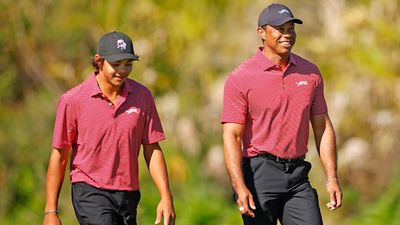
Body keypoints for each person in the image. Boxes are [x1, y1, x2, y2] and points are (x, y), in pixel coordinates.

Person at [221, 3, 342, 225]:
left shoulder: (311, 73)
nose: (287, 34)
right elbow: (232, 136)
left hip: (297, 175)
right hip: (259, 173)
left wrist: (332, 178)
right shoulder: (240, 77)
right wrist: (239, 187)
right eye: (280, 29)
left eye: (290, 29)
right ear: (261, 32)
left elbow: (322, 127)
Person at [43, 31, 175, 225]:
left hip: (128, 193)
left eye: (128, 64)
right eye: (116, 64)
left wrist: (166, 197)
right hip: (90, 190)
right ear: (99, 61)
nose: (122, 70)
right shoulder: (73, 101)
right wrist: (50, 211)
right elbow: (60, 156)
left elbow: (152, 148)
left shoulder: (142, 96)